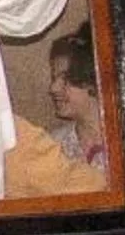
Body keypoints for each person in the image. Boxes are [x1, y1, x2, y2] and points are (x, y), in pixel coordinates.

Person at [46, 26, 109, 170]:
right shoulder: (53, 146)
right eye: (54, 78)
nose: (53, 88)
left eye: (65, 78)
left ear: (93, 80)